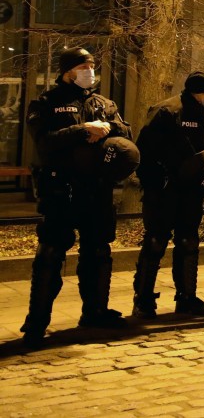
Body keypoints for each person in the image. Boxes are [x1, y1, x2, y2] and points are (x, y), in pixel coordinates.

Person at [22, 47, 135, 348]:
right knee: (51, 252)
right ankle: (37, 321)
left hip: (96, 188)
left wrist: (109, 126)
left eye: (92, 65)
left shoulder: (104, 103)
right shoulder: (46, 102)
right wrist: (82, 129)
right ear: (68, 70)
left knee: (98, 250)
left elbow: (126, 131)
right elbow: (44, 143)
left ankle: (95, 311)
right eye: (84, 66)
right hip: (61, 188)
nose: (90, 70)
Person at [132, 70, 204, 318]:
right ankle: (143, 299)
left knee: (188, 241)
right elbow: (144, 151)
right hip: (163, 189)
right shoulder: (167, 111)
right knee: (155, 242)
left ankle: (187, 297)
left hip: (190, 190)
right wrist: (154, 183)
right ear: (198, 91)